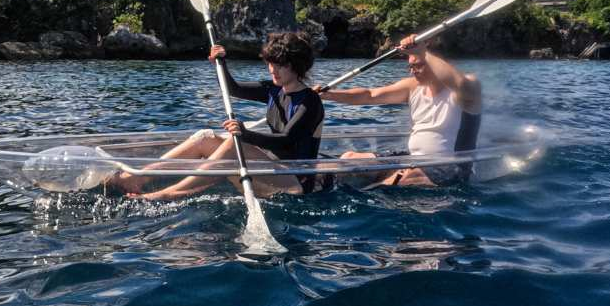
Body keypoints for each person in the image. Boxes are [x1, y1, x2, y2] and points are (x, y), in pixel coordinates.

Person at [117, 31, 326, 201]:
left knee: (231, 145)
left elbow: (286, 141)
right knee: (205, 137)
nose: (273, 69)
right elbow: (232, 88)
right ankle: (136, 177)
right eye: (271, 63)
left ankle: (167, 194)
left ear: (296, 66)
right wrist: (221, 63)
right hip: (272, 169)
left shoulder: (310, 101)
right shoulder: (273, 90)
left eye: (281, 65)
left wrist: (244, 134)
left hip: (296, 182)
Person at [318, 34, 481, 186]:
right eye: (410, 66)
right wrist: (328, 95)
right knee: (349, 158)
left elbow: (461, 84)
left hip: (451, 166)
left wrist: (423, 51)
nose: (412, 71)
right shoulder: (412, 87)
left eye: (418, 65)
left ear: (439, 61)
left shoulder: (468, 87)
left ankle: (378, 196)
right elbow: (370, 95)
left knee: (408, 176)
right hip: (413, 158)